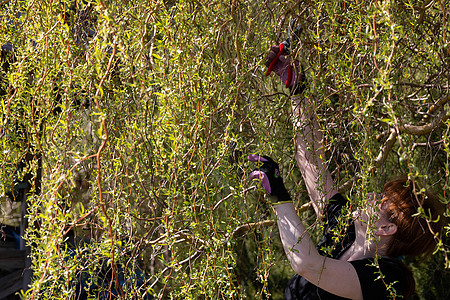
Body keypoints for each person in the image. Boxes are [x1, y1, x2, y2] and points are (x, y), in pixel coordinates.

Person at [248, 45, 445, 299]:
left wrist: (279, 196)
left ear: (386, 229)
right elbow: (311, 162)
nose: (373, 194)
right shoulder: (346, 229)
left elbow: (306, 264)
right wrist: (297, 90)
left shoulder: (389, 279)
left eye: (383, 201)